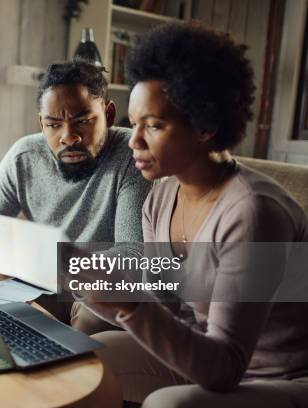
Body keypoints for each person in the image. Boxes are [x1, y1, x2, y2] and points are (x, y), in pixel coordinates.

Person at [77, 22, 308, 407]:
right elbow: (164, 306)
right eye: (134, 124)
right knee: (87, 354)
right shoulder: (162, 196)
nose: (134, 141)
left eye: (153, 125)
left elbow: (226, 367)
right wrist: (96, 285)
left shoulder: (254, 212)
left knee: (168, 405)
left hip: (280, 376)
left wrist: (129, 304)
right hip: (207, 357)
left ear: (205, 125)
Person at [0, 61, 152, 334]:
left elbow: (132, 258)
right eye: (53, 124)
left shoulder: (133, 156)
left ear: (109, 115)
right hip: (45, 286)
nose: (69, 137)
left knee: (95, 314)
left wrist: (23, 260)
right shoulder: (25, 156)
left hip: (100, 290)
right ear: (41, 123)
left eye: (83, 121)